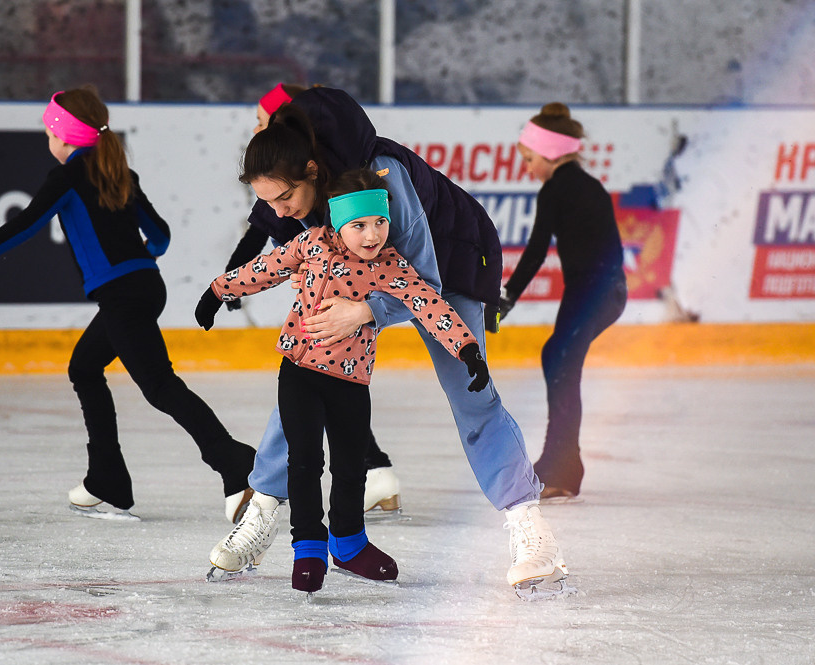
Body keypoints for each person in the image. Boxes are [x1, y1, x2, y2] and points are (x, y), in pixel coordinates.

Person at [208, 87, 573, 598]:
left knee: (471, 392)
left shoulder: (383, 172)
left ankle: (530, 530)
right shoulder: (291, 188)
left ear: (311, 171)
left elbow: (425, 280)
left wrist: (365, 311)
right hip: (369, 281)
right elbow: (273, 239)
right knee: (307, 371)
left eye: (286, 199)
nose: (282, 212)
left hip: (451, 267)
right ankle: (265, 511)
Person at [0, 86, 255, 522]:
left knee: (160, 386)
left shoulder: (67, 178)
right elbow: (159, 234)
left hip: (123, 295)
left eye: (49, 132)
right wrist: (139, 259)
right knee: (84, 368)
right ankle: (107, 480)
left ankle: (234, 464)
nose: (48, 139)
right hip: (143, 286)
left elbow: (25, 224)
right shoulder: (120, 173)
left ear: (63, 137)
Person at [198, 168, 490, 594]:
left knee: (352, 467)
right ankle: (309, 547)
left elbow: (430, 304)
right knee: (303, 462)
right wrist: (219, 290)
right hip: (298, 375)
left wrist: (467, 350)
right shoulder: (311, 243)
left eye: (380, 222)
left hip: (351, 382)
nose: (372, 235)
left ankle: (350, 543)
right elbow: (265, 268)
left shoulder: (392, 265)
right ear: (337, 221)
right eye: (359, 225)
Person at [229, 81, 404, 518]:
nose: (256, 128)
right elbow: (265, 227)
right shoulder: (286, 188)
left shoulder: (332, 181)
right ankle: (376, 470)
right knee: (321, 382)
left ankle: (267, 498)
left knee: (308, 378)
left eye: (261, 119)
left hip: (356, 302)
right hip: (336, 305)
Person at [498, 103, 628, 501]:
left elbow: (536, 251)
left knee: (560, 363)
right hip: (604, 290)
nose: (527, 167)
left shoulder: (557, 189)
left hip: (594, 290)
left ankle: (561, 466)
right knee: (557, 358)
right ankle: (561, 462)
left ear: (551, 152)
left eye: (529, 158)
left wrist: (506, 298)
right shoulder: (588, 185)